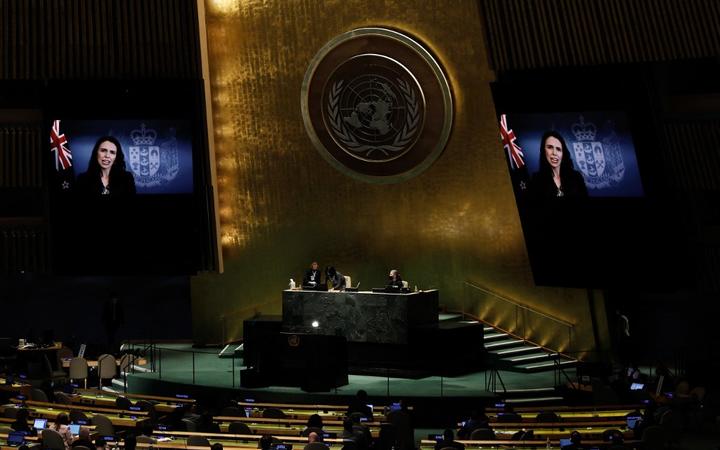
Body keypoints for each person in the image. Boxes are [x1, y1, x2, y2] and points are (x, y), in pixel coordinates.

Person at [530, 131, 587, 199]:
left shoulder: (577, 177)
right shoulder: (536, 180)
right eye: (550, 147)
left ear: (563, 154)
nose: (554, 153)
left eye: (558, 149)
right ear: (543, 150)